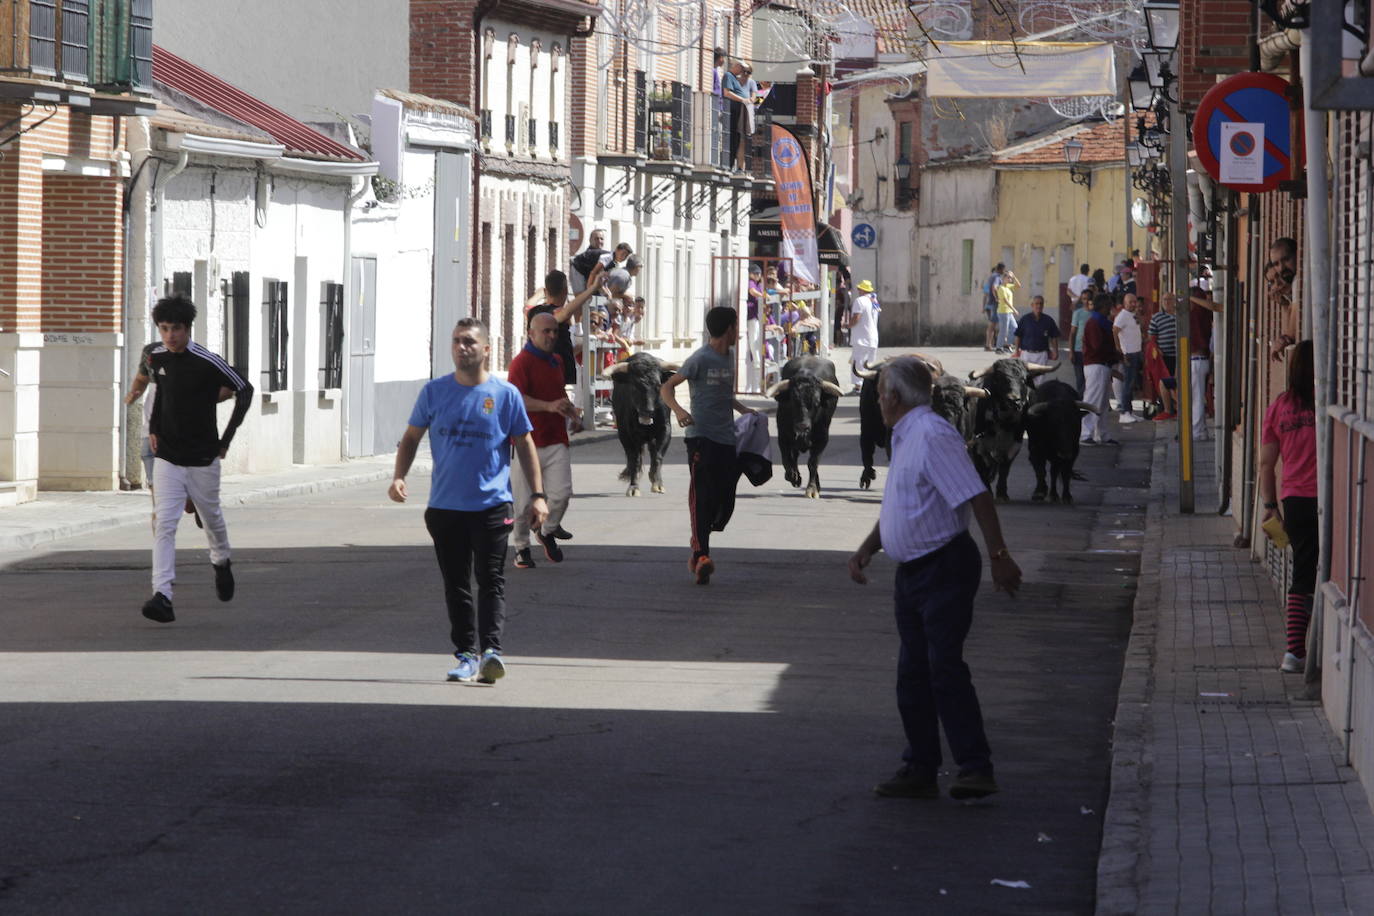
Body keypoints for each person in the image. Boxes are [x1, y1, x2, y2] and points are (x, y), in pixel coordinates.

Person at [847, 356, 1022, 801]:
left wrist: (999, 555)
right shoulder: (905, 436)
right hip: (914, 572)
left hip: (944, 566)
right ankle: (920, 767)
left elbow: (976, 496)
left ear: (894, 396)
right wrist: (870, 546)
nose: (877, 400)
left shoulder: (931, 435)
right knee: (913, 675)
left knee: (943, 669)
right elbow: (904, 505)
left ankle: (975, 767)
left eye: (881, 391)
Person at [389, 318, 547, 684]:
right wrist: (399, 475)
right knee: (456, 583)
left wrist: (537, 496)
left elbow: (524, 443)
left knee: (490, 579)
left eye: (470, 342)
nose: (463, 347)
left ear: (486, 349)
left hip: (492, 506)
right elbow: (412, 436)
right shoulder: (434, 392)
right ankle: (464, 655)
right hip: (445, 508)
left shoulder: (505, 395)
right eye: (457, 341)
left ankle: (491, 652)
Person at [140, 294, 253, 624]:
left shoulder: (207, 360)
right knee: (164, 523)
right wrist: (155, 428)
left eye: (176, 328)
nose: (170, 335)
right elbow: (162, 393)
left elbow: (244, 390)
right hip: (169, 458)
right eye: (163, 328)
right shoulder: (156, 358)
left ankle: (221, 561)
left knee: (211, 515)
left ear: (188, 328)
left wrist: (226, 441)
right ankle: (162, 596)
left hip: (203, 457)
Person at [660, 306, 757, 585]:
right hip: (700, 437)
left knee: (724, 498)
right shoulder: (699, 359)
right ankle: (701, 554)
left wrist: (744, 410)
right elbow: (666, 388)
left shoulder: (729, 358)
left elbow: (725, 395)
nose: (738, 332)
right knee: (701, 497)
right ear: (729, 329)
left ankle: (700, 547)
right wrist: (679, 411)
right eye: (736, 327)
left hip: (727, 438)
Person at [1258, 340, 1317, 674]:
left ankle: (1295, 651)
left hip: (1294, 499)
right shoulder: (1330, 402)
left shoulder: (1279, 407)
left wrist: (1270, 505)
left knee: (1303, 571)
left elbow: (1266, 464)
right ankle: (1300, 648)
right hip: (1326, 496)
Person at [507, 312, 579, 570]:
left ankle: (547, 531)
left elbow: (557, 394)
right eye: (545, 331)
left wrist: (570, 411)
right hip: (527, 442)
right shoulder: (521, 363)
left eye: (554, 332)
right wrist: (548, 406)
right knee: (523, 503)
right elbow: (516, 400)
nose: (551, 336)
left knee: (562, 494)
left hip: (556, 438)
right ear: (531, 333)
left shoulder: (557, 361)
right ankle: (522, 548)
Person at [1080, 293, 1119, 446]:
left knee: (1102, 403)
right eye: (1109, 305)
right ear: (1103, 306)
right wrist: (1115, 355)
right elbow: (1098, 346)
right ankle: (1085, 434)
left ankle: (1102, 434)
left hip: (1101, 365)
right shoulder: (1095, 323)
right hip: (1096, 364)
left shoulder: (1099, 321)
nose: (1111, 308)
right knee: (1092, 400)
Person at [1185, 286, 1223, 441]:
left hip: (1196, 360)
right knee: (1197, 397)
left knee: (1196, 398)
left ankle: (1198, 431)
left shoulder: (1195, 314)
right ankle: (1197, 429)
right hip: (1200, 360)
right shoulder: (1203, 314)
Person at [1266, 237, 1299, 361]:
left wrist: (1284, 340)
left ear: (1297, 254)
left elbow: (1291, 333)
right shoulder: (1295, 285)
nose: (1281, 268)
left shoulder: (1299, 281)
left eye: (1286, 259)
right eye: (1276, 264)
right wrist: (1285, 304)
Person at [1146, 295, 1178, 420]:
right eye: (1164, 300)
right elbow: (1151, 337)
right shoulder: (1157, 317)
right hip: (1163, 358)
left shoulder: (1180, 316)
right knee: (1164, 382)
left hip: (1178, 356)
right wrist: (1157, 348)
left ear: (1174, 301)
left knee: (1175, 384)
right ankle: (1167, 409)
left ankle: (1175, 408)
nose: (1166, 302)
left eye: (1169, 299)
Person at [1113, 292, 1143, 423]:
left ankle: (1129, 411)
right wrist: (1120, 350)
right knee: (1127, 384)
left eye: (1134, 301)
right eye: (1130, 302)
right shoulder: (1122, 316)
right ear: (1125, 303)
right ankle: (1124, 412)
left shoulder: (1133, 315)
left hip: (1136, 352)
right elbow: (1115, 330)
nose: (1133, 304)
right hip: (1128, 354)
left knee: (1131, 384)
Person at [847, 279, 881, 390]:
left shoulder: (860, 301)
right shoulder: (874, 301)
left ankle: (858, 386)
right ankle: (868, 387)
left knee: (858, 363)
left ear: (861, 290)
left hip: (862, 337)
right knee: (869, 364)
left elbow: (857, 317)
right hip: (873, 338)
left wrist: (848, 325)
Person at [1012, 294, 1059, 366]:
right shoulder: (1025, 319)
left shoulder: (1048, 320)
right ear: (1032, 305)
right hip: (1026, 354)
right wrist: (1016, 351)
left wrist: (1055, 351)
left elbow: (1054, 337)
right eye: (1036, 303)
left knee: (1040, 377)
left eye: (1041, 304)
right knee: (1026, 376)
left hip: (1042, 355)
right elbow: (1018, 335)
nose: (1039, 306)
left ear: (1043, 305)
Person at [1068, 288, 1094, 395]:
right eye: (1084, 299)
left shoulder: (1096, 314)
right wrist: (1071, 351)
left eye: (1088, 299)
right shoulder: (1077, 313)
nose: (1086, 301)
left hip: (1092, 352)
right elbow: (1073, 333)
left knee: (1091, 380)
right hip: (1079, 350)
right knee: (1080, 379)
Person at [994, 270, 1020, 352]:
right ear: (1003, 278)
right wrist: (1014, 309)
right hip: (1003, 312)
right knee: (1003, 330)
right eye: (1008, 277)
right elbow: (1005, 300)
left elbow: (1018, 286)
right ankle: (999, 347)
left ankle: (1007, 345)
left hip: (1009, 312)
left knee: (1015, 328)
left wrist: (1014, 276)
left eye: (1010, 278)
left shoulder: (1008, 286)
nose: (1010, 279)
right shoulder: (1001, 288)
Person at [981, 263, 1005, 351]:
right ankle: (988, 344)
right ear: (1000, 269)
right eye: (1003, 270)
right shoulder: (996, 277)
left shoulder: (992, 276)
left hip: (991, 303)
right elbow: (994, 287)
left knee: (993, 324)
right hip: (995, 303)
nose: (1003, 272)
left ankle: (989, 344)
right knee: (992, 324)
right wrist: (997, 298)